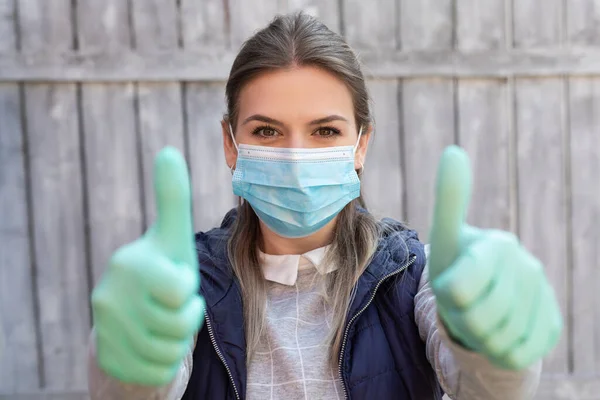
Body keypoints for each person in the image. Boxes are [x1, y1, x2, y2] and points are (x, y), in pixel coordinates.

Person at [87, 12, 562, 400]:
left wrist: (493, 350)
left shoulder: (418, 277)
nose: (296, 158)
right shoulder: (181, 288)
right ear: (231, 144)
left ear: (360, 145)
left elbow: (486, 387)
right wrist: (128, 368)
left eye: (326, 131)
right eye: (267, 131)